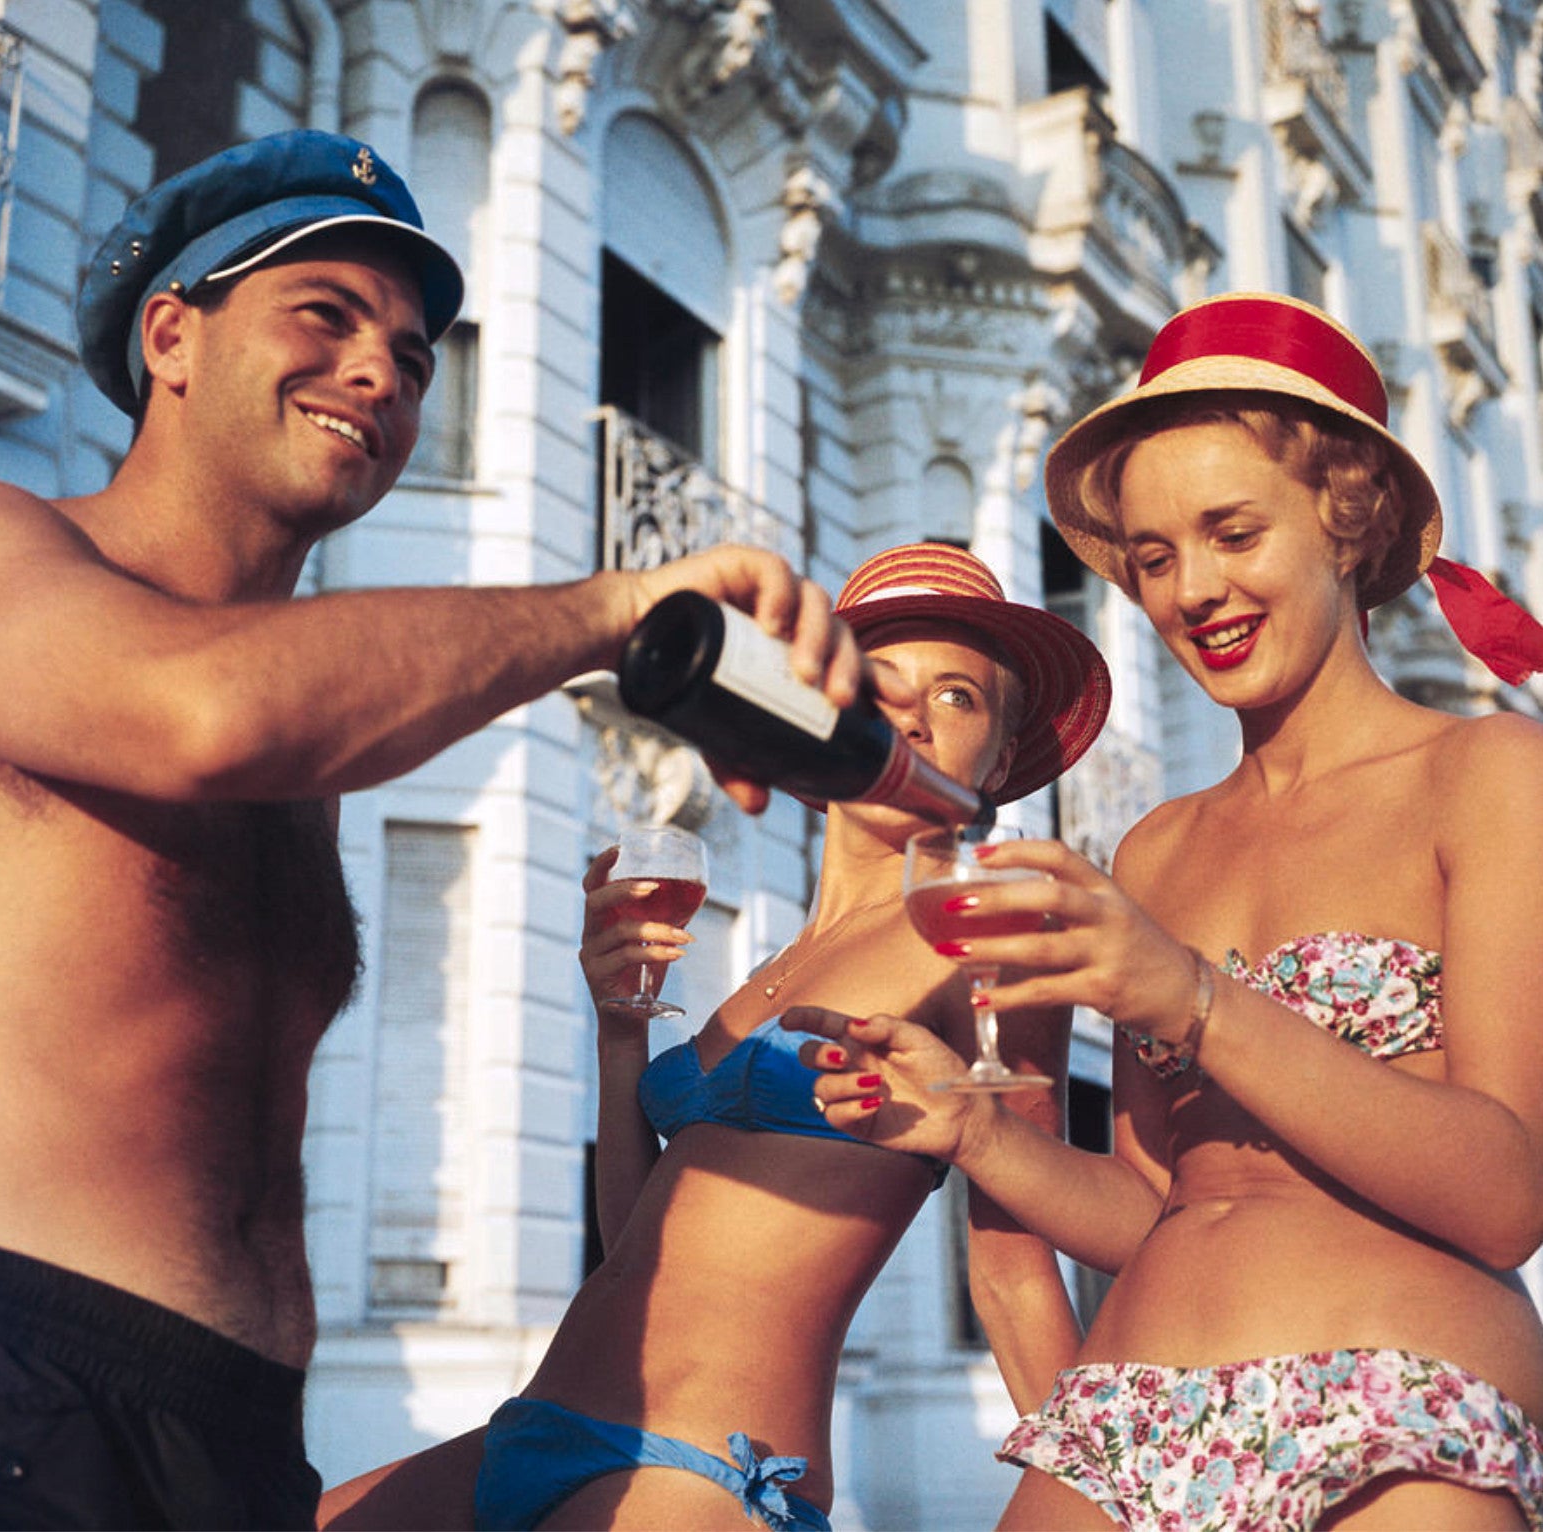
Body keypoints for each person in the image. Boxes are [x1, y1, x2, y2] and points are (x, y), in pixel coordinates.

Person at [0, 127, 881, 1530]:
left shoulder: (317, 734)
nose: (379, 375)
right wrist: (617, 614)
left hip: (232, 1439)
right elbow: (200, 716)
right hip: (26, 1391)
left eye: (412, 358)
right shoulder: (9, 546)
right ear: (171, 333)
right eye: (326, 317)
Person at [790, 293, 1543, 1530]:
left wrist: (1188, 996)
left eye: (1233, 532)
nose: (1194, 589)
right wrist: (977, 1133)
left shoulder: (1489, 772)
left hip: (1393, 1404)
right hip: (1126, 1423)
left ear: (1347, 521)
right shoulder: (1155, 845)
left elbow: (1507, 1188)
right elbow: (1152, 1208)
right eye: (1151, 557)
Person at [315, 541, 1113, 1530]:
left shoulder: (984, 936)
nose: (909, 715)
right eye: (878, 686)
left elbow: (1012, 1272)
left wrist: (1112, 1499)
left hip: (705, 1466)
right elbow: (635, 1245)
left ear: (1002, 756)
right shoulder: (758, 976)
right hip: (539, 1425)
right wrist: (619, 1039)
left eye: (958, 698)